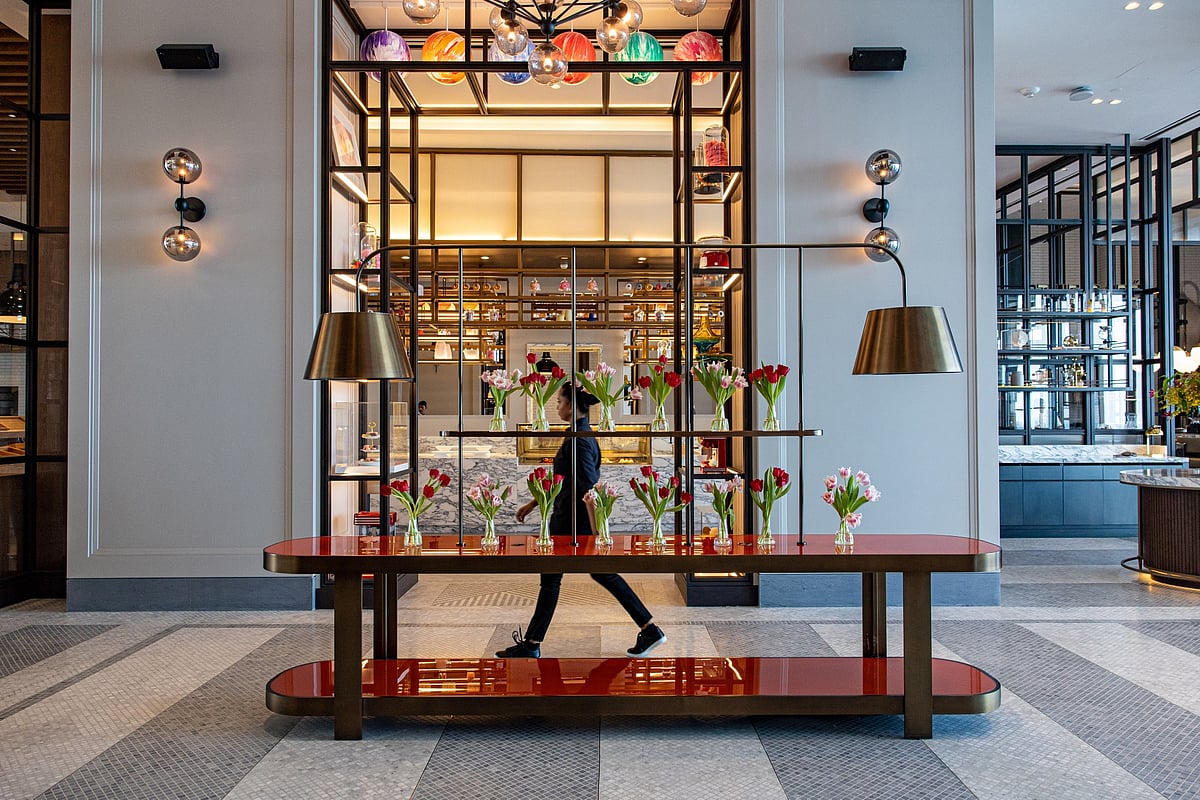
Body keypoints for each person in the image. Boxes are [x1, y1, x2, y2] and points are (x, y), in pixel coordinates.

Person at [497, 384, 666, 659]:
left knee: (557, 580)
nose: (557, 407)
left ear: (573, 405)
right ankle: (649, 629)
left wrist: (598, 531)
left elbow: (588, 487)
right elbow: (565, 481)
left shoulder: (579, 441)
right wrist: (534, 503)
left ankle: (532, 644)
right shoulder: (578, 435)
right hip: (570, 519)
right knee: (579, 576)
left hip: (573, 523)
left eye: (560, 402)